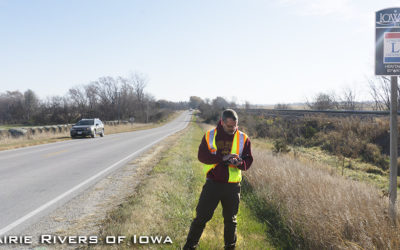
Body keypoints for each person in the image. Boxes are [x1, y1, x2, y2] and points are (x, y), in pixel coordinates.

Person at [183, 109, 253, 250]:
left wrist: (239, 163)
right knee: (201, 218)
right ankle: (189, 247)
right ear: (222, 122)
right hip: (213, 185)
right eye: (229, 126)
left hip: (233, 187)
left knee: (231, 221)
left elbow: (248, 160)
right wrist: (222, 158)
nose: (233, 129)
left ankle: (230, 247)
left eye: (235, 126)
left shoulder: (243, 138)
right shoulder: (209, 136)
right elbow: (202, 156)